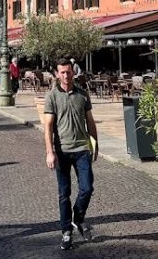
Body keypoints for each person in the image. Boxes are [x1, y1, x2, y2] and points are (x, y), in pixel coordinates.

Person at [43, 57, 98, 251]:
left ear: (73, 72)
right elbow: (48, 126)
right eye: (62, 72)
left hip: (82, 149)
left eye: (69, 71)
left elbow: (90, 121)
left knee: (87, 187)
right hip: (62, 151)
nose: (66, 75)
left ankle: (78, 217)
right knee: (64, 193)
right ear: (57, 74)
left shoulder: (83, 94)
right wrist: (50, 152)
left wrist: (95, 144)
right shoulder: (52, 97)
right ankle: (66, 232)